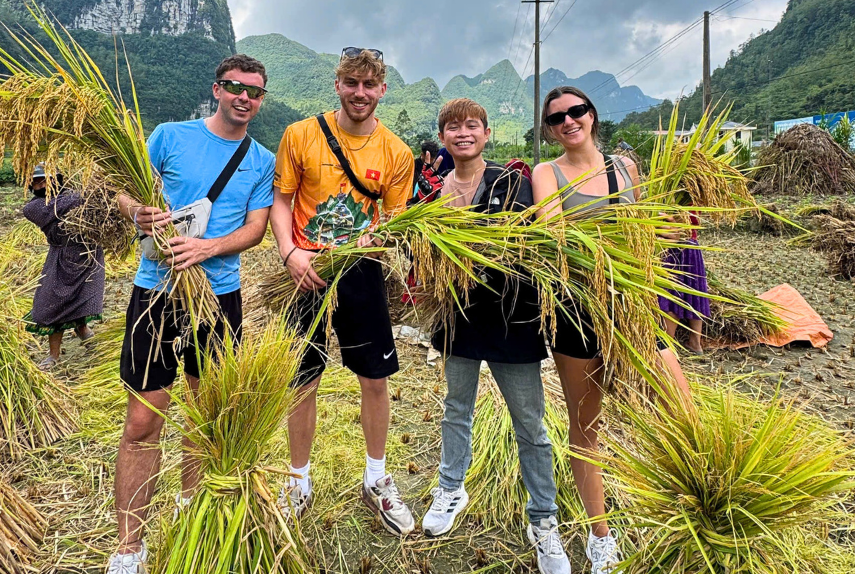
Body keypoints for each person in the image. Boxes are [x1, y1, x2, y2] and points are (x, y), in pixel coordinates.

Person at [107, 55, 276, 574]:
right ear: (217, 89)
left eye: (254, 91)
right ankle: (130, 546)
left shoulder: (261, 159)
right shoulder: (169, 136)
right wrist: (138, 212)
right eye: (234, 87)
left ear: (261, 99)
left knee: (207, 417)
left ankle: (190, 510)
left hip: (219, 299)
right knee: (142, 420)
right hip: (156, 292)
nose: (243, 97)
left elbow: (256, 228)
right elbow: (123, 191)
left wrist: (209, 248)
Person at [532, 86, 690, 574]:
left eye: (576, 111)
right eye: (557, 117)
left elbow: (642, 231)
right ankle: (600, 538)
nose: (569, 121)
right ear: (549, 128)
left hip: (633, 307)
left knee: (681, 407)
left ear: (593, 115)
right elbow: (555, 237)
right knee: (587, 427)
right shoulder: (546, 173)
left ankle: (693, 509)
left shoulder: (625, 169)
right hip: (577, 311)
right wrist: (620, 242)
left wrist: (663, 232)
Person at [419, 99, 569, 574]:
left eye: (470, 126)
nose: (461, 134)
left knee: (530, 423)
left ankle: (543, 519)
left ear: (486, 134)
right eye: (451, 127)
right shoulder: (432, 191)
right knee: (456, 407)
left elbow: (529, 246)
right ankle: (450, 489)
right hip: (456, 316)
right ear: (442, 137)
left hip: (512, 317)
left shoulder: (512, 182)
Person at [271, 47, 416, 535]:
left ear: (382, 91)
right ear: (338, 84)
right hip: (304, 271)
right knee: (302, 378)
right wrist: (291, 253)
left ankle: (376, 477)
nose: (360, 93)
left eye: (369, 85)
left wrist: (376, 240)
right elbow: (281, 200)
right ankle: (298, 479)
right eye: (351, 83)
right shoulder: (301, 135)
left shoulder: (397, 152)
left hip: (361, 270)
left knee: (375, 377)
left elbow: (396, 219)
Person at [22, 164, 103, 370]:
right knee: (52, 302)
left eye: (44, 181)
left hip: (87, 253)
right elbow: (68, 203)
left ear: (55, 182)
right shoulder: (34, 208)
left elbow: (81, 200)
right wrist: (91, 191)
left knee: (83, 296)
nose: (39, 185)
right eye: (35, 183)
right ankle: (54, 355)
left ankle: (83, 330)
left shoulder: (73, 196)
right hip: (61, 256)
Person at [659, 212, 710, 353]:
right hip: (691, 244)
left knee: (670, 296)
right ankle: (695, 342)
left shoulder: (673, 197)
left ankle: (667, 347)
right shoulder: (693, 194)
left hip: (671, 244)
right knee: (694, 293)